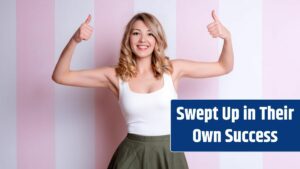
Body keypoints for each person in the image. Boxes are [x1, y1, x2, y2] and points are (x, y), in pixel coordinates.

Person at [52, 10, 233, 169]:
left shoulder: (173, 69)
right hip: (132, 154)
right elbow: (60, 76)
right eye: (136, 33)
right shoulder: (115, 76)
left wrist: (227, 37)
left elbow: (224, 66)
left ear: (157, 39)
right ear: (128, 39)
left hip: (168, 154)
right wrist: (74, 40)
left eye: (150, 34)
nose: (143, 40)